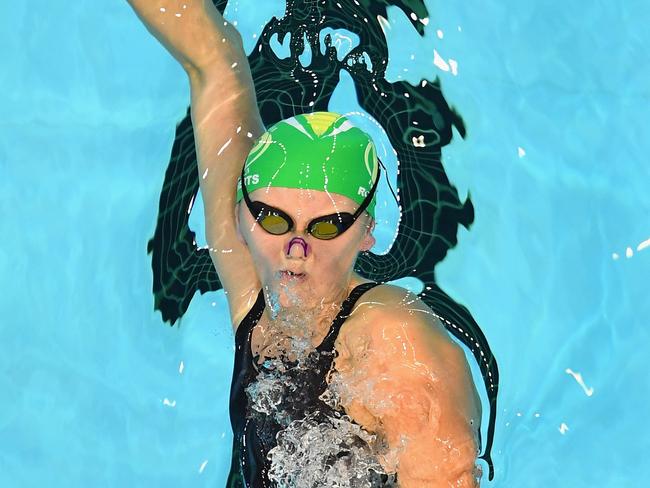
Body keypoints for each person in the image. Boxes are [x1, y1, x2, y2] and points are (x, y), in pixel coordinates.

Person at [127, 1, 482, 486]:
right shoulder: (256, 289)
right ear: (240, 218)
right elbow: (210, 60)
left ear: (367, 232)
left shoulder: (397, 345)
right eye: (274, 219)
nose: (296, 246)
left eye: (327, 226)